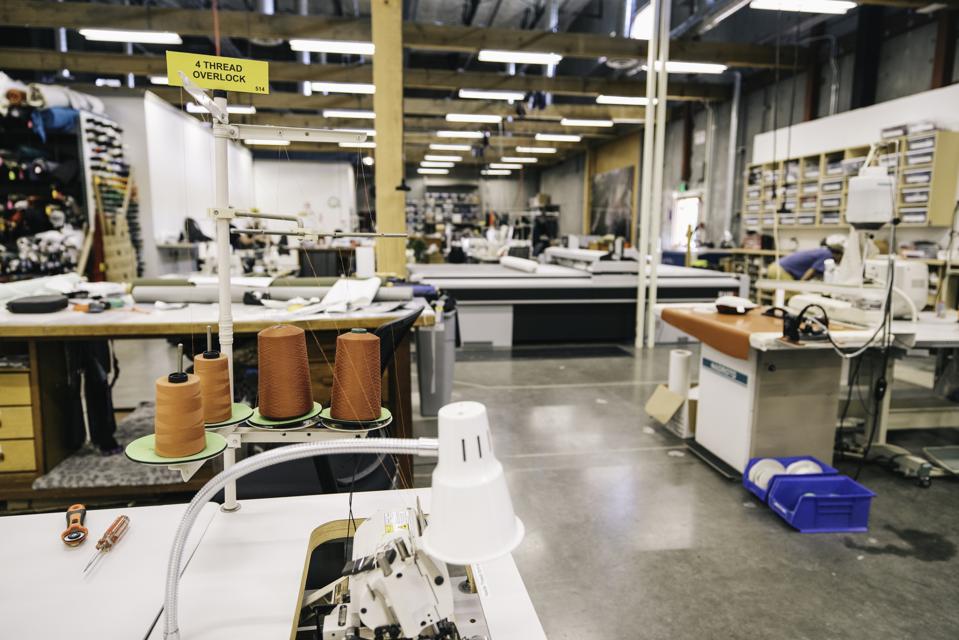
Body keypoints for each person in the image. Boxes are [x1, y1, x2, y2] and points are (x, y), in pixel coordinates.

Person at [767, 235, 845, 281]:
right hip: (779, 270)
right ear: (838, 254)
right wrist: (801, 285)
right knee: (794, 296)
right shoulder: (827, 254)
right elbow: (811, 271)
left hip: (775, 267)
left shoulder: (823, 251)